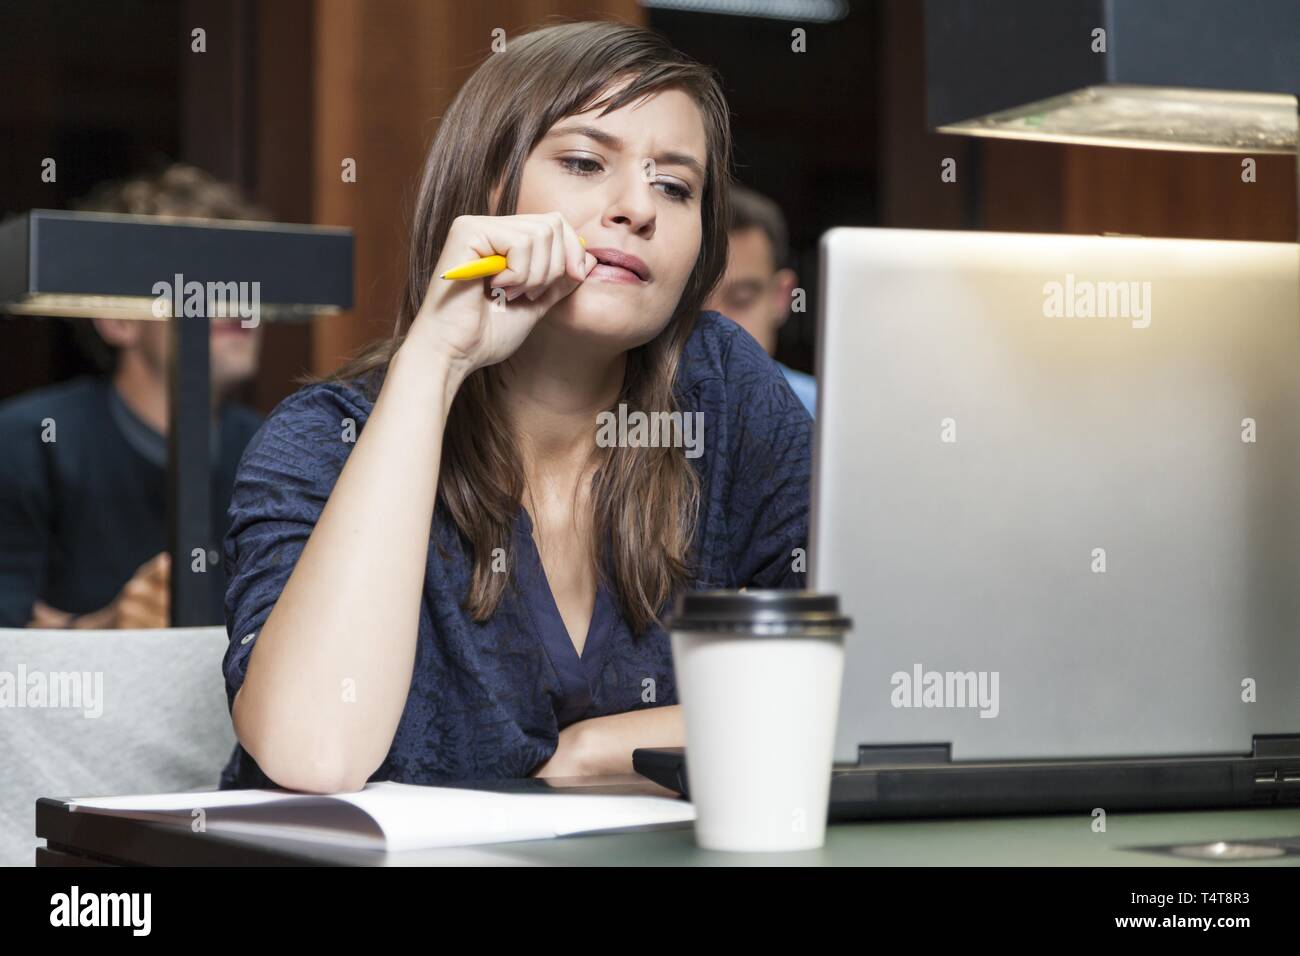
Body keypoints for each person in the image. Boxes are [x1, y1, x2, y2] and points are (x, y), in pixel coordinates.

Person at [221, 20, 811, 793]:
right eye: (583, 161)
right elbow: (314, 753)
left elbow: (859, 681)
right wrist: (433, 363)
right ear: (488, 188)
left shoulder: (724, 391)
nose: (638, 208)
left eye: (675, 185)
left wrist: (599, 751)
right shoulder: (322, 439)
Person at [0, 165, 266, 629]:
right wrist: (107, 628)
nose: (231, 293)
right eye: (191, 271)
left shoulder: (271, 451)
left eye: (241, 267)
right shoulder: (30, 442)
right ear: (118, 318)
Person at [704, 185, 815, 415]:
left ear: (782, 297)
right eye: (693, 302)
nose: (717, 323)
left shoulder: (829, 417)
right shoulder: (628, 418)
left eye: (741, 298)